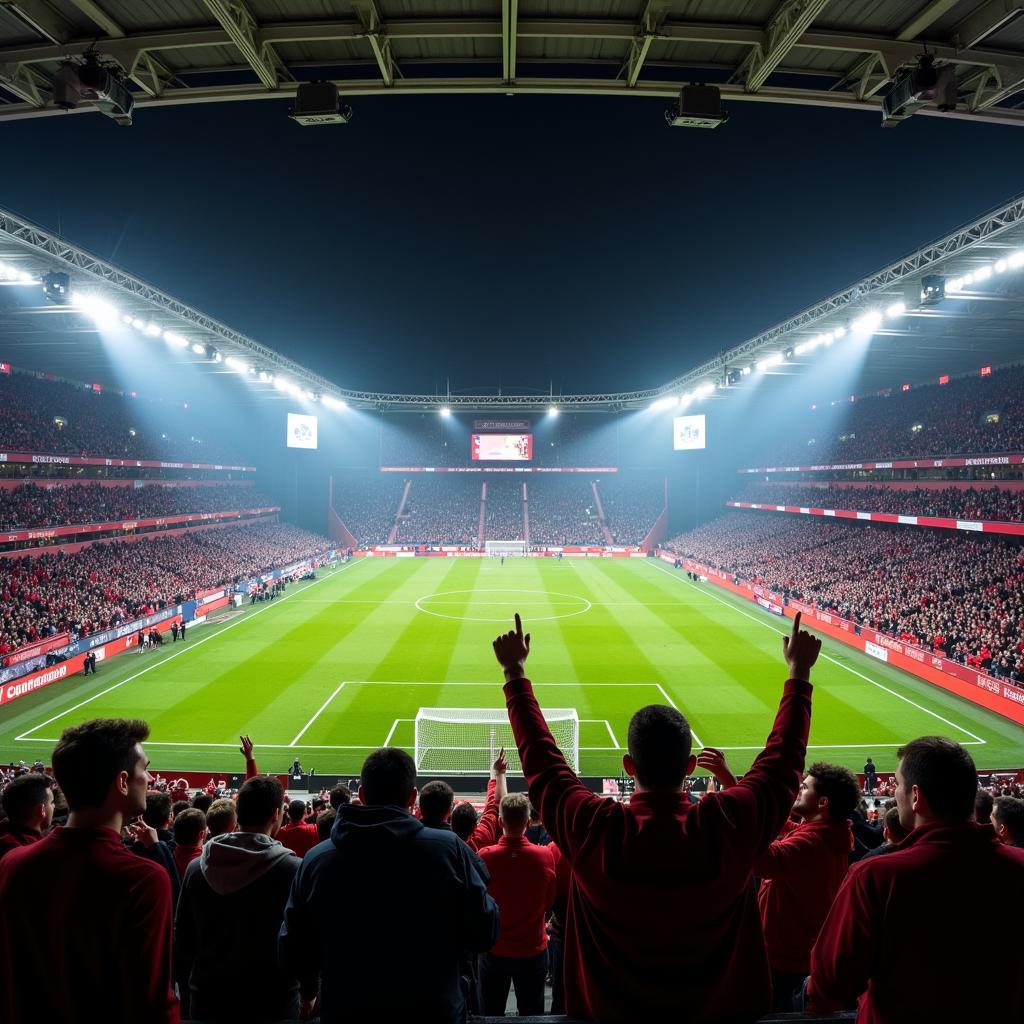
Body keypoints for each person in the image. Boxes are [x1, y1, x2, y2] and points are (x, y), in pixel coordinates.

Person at [492, 611, 820, 1022]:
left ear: (629, 767)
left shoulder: (595, 827)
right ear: (689, 766)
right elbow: (781, 766)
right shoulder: (728, 823)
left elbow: (544, 767)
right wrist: (799, 673)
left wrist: (514, 674)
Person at [808, 737, 1024, 1022]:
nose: (895, 793)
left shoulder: (874, 877)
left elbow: (830, 985)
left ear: (916, 796)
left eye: (897, 784)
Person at [279, 747, 499, 1023]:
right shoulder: (450, 851)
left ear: (361, 795)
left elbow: (292, 952)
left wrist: (313, 988)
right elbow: (485, 931)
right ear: (412, 797)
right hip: (433, 1012)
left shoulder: (316, 860)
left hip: (346, 1012)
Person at [0, 718, 179, 1023]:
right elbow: (151, 1003)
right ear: (122, 782)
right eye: (144, 769)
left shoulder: (13, 864)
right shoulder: (143, 880)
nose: (149, 778)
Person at [176, 776, 315, 1023]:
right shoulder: (294, 870)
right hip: (274, 1005)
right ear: (276, 813)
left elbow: (184, 941)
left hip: (208, 1002)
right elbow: (303, 942)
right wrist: (309, 992)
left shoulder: (196, 869)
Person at [746, 761, 858, 1011]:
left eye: (805, 787)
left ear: (822, 802)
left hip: (783, 960)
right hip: (797, 954)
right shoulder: (827, 833)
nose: (798, 789)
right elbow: (789, 828)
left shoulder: (812, 843)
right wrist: (736, 787)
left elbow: (759, 860)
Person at [478, 793, 556, 1017]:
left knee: (490, 1014)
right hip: (532, 950)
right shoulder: (544, 856)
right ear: (528, 821)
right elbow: (548, 901)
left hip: (495, 950)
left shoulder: (485, 856)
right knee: (532, 1014)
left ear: (500, 822)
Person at [0, 772, 53, 861]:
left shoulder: (4, 834)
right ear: (42, 810)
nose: (54, 806)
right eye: (52, 802)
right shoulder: (37, 855)